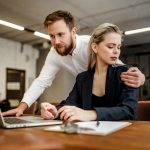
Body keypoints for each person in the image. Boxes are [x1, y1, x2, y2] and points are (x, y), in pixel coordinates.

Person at [3, 10, 144, 117]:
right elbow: (42, 81)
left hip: (108, 108)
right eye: (51, 36)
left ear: (73, 31)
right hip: (87, 97)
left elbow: (116, 65)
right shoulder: (77, 73)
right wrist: (23, 107)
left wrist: (140, 77)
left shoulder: (90, 44)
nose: (56, 41)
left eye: (60, 34)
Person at [41, 23, 139, 121]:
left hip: (121, 134)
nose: (116, 51)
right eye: (110, 47)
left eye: (118, 47)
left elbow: (128, 111)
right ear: (95, 47)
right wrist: (54, 111)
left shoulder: (127, 74)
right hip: (90, 134)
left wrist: (91, 114)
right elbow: (69, 104)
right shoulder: (82, 78)